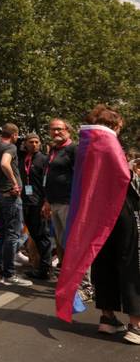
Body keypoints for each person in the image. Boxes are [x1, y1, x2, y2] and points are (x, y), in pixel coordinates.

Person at [54, 105, 138, 344]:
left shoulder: (86, 143)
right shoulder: (109, 141)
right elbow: (122, 176)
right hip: (118, 209)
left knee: (103, 262)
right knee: (129, 262)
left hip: (94, 211)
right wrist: (132, 172)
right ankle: (136, 324)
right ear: (114, 124)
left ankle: (107, 318)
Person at [0, 123, 32, 287]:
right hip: (10, 197)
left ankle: (4, 272)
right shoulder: (10, 147)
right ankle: (9, 274)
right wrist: (15, 183)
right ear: (14, 134)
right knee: (12, 235)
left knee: (3, 235)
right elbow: (4, 164)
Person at [19, 132, 53, 280]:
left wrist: (46, 202)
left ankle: (45, 269)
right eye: (31, 142)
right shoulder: (23, 158)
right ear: (25, 144)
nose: (34, 144)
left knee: (43, 236)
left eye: (36, 142)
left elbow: (48, 183)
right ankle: (39, 266)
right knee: (34, 235)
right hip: (26, 201)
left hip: (39, 203)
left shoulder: (44, 160)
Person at [42, 118, 77, 261]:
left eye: (59, 129)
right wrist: (47, 201)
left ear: (68, 131)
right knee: (62, 241)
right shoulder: (54, 150)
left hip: (68, 202)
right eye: (53, 129)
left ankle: (80, 275)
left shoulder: (74, 149)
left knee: (72, 241)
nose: (56, 132)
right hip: (54, 202)